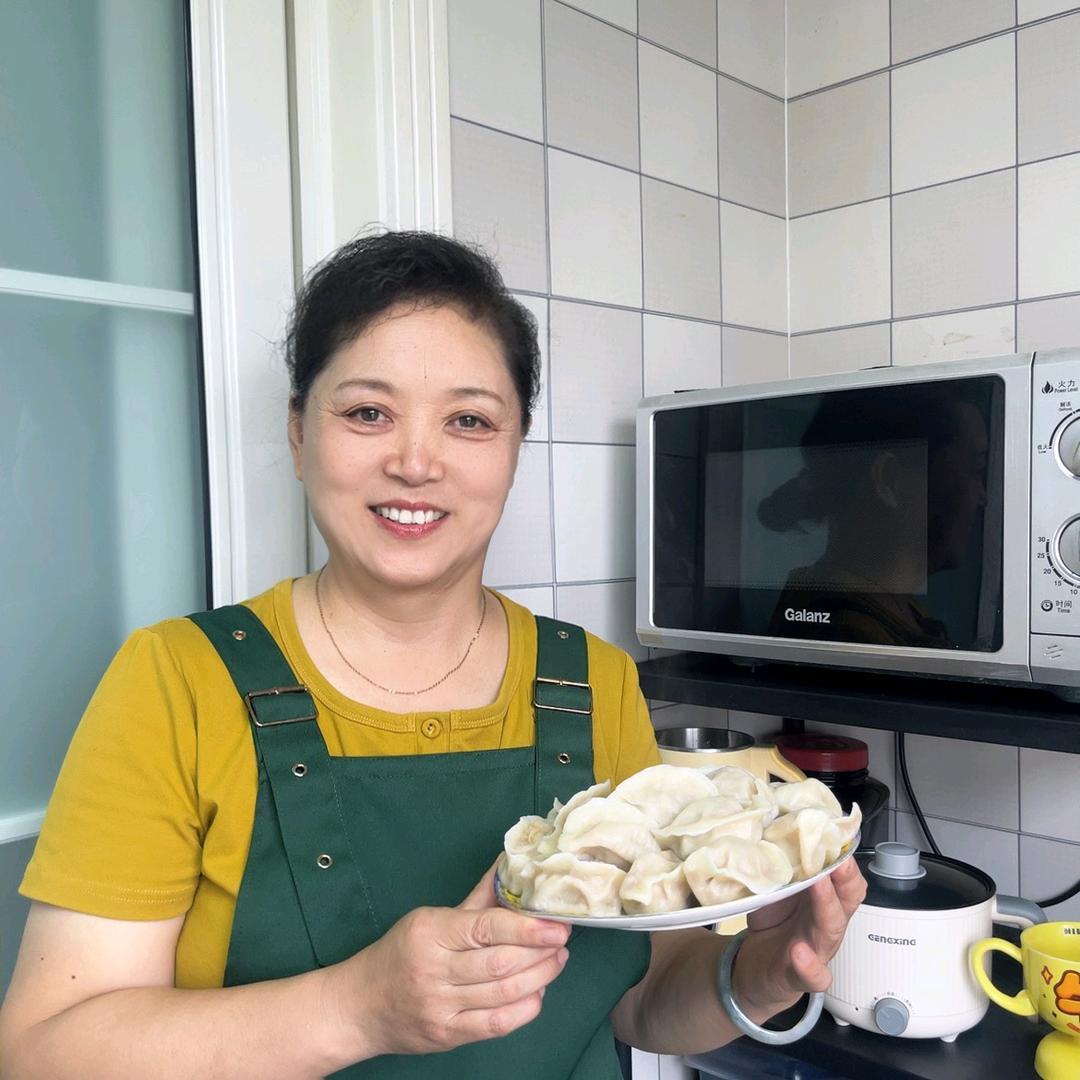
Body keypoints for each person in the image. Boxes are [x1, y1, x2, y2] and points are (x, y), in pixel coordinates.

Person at [0, 232, 866, 1079]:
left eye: (469, 420)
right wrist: (356, 1008)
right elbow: (43, 1052)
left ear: (516, 447)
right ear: (299, 434)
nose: (416, 462)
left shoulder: (594, 680)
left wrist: (758, 971)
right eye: (367, 412)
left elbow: (640, 1003)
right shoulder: (179, 681)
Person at [760, 385, 991, 648]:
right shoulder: (846, 630)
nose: (983, 497)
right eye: (975, 469)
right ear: (890, 480)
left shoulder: (893, 607)